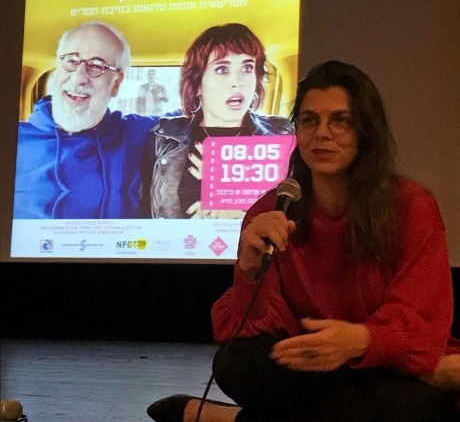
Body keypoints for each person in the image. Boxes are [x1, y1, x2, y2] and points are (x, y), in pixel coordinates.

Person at [147, 61, 460, 421]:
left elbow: (419, 319)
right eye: (310, 120)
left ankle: (226, 419)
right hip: (318, 366)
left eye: (340, 121)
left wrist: (358, 341)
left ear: (365, 131)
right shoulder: (273, 209)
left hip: (383, 358)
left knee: (416, 407)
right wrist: (249, 272)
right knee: (235, 363)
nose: (322, 133)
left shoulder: (412, 206)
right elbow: (255, 328)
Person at [144, 23, 292, 219]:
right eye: (222, 69)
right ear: (197, 83)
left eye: (247, 67)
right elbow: (145, 212)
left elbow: (297, 212)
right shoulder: (163, 136)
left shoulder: (284, 134)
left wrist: (242, 215)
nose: (238, 81)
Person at [13, 21, 159, 219]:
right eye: (72, 61)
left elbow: (197, 117)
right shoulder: (13, 141)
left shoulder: (140, 132)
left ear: (116, 83)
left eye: (97, 65)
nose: (78, 78)